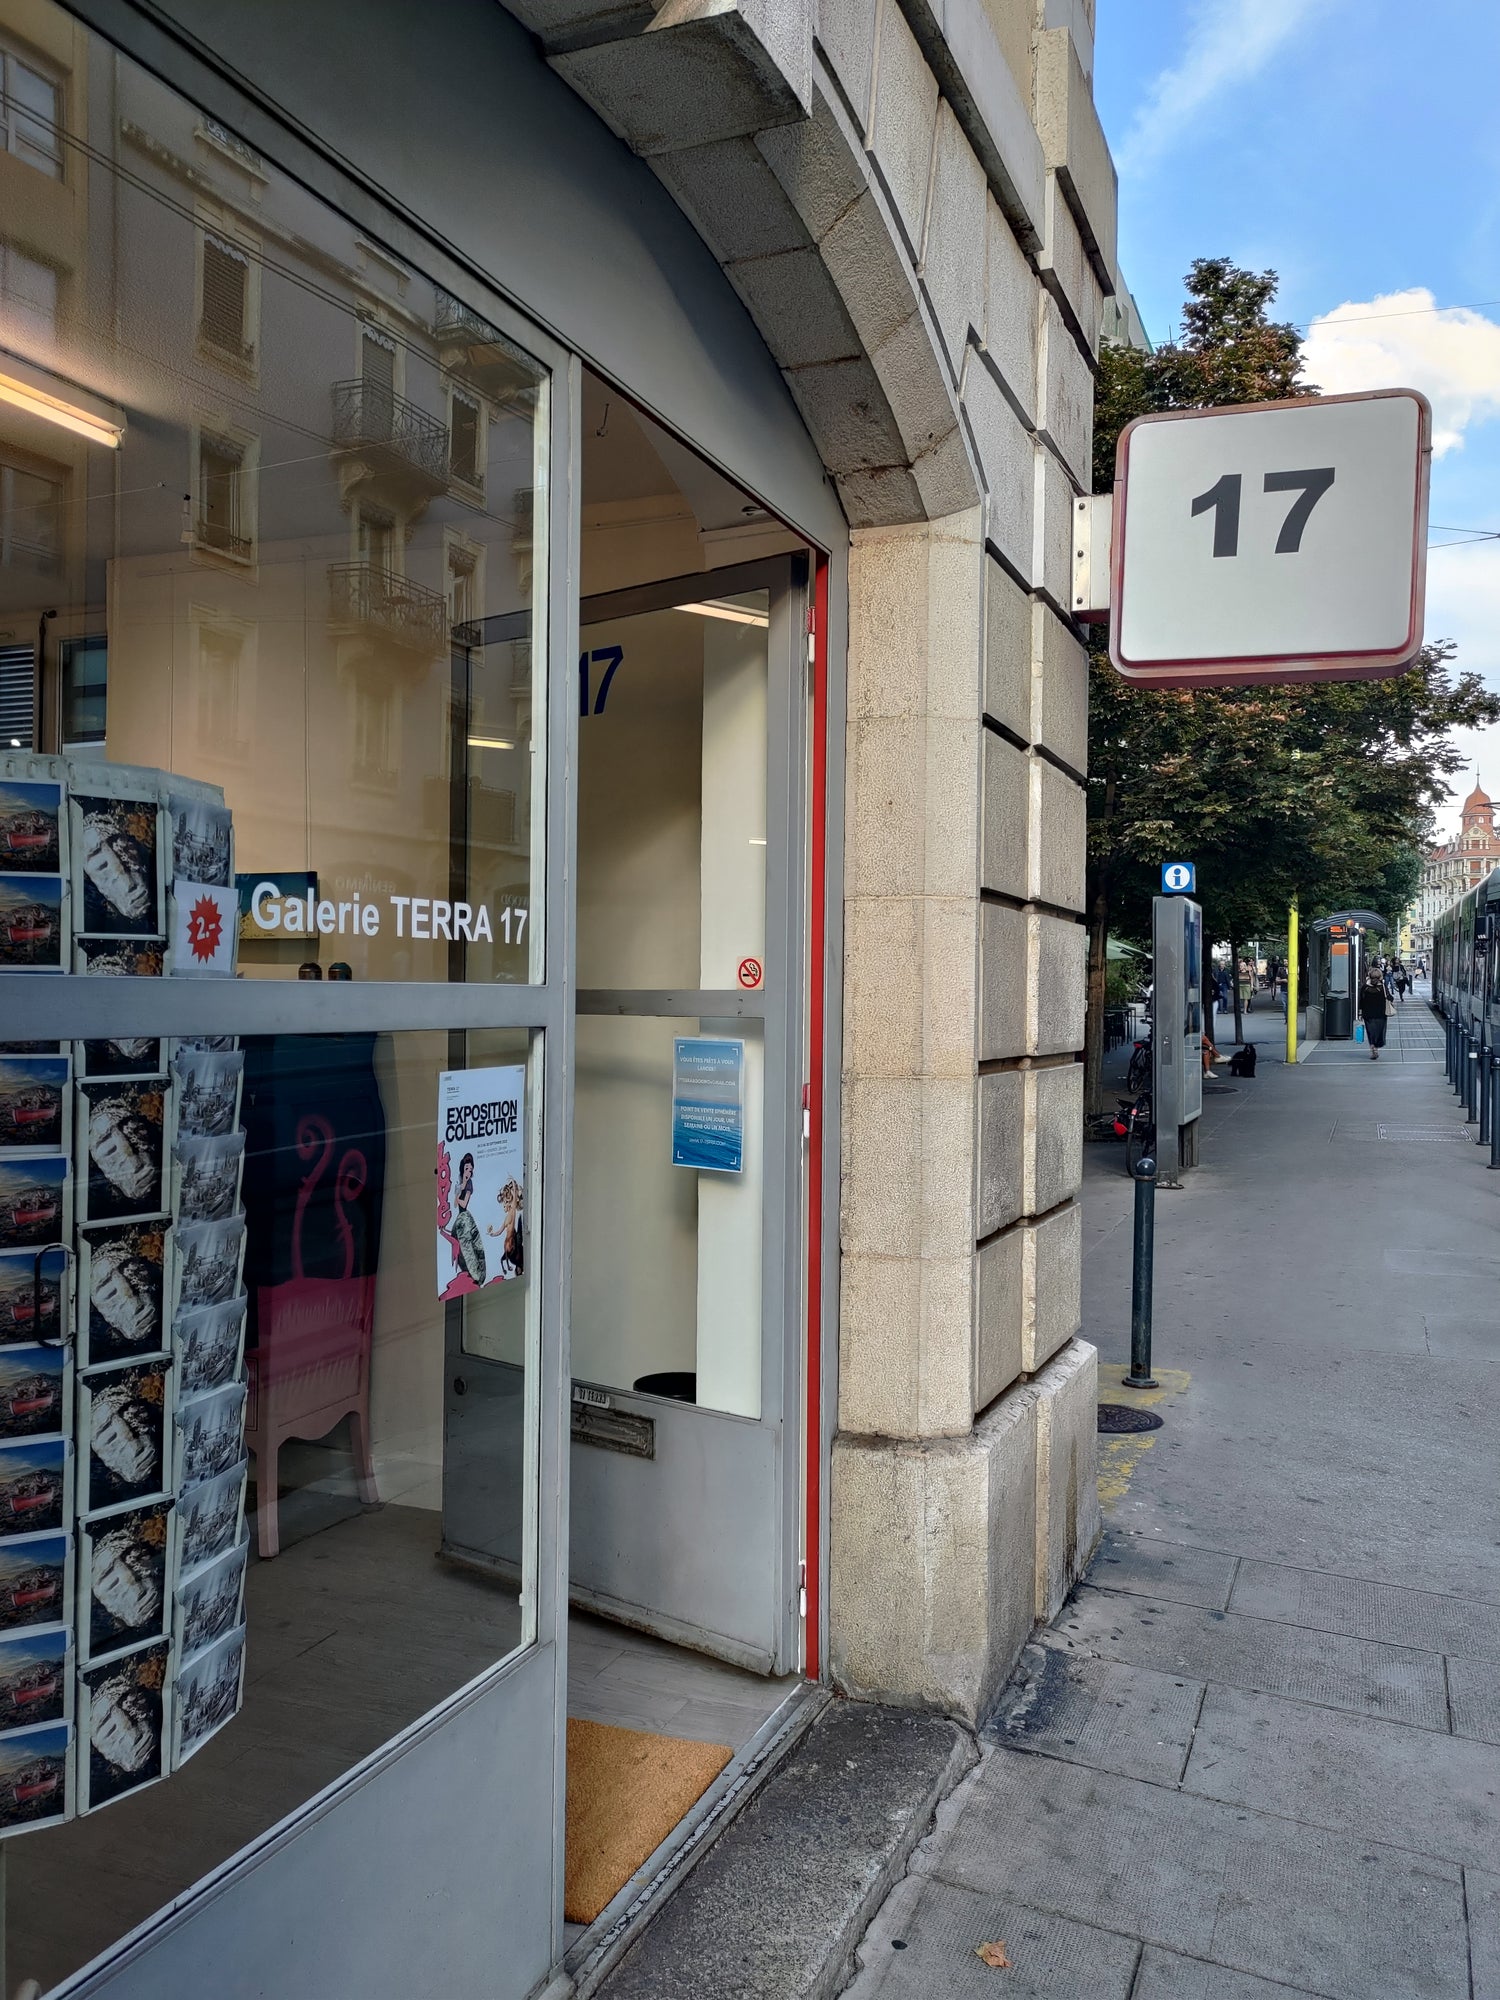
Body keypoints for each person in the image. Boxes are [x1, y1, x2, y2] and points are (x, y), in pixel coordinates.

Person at [1359, 966, 1389, 1060]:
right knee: (1379, 1032)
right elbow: (1389, 998)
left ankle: (1374, 1049)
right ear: (1380, 976)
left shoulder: (1365, 987)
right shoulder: (1383, 987)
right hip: (1381, 1014)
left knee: (1371, 1032)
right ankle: (1376, 1046)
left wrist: (1360, 1012)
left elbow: (1361, 1001)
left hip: (1368, 1014)